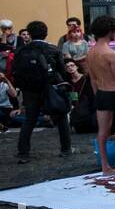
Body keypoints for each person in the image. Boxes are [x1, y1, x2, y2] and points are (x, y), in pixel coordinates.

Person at [12, 21, 73, 165]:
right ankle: (66, 149)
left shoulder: (21, 51)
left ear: (30, 34)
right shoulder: (53, 49)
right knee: (61, 117)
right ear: (45, 33)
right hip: (50, 88)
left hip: (30, 90)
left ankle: (23, 153)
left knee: (29, 120)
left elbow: (15, 71)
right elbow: (62, 71)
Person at [85, 16, 115, 178]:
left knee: (102, 133)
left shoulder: (90, 53)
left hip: (101, 93)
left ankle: (105, 167)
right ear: (110, 32)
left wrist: (98, 95)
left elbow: (92, 79)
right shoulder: (112, 55)